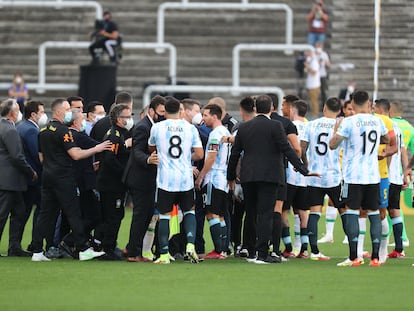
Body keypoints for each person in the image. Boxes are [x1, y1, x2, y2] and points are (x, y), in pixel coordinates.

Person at [227, 95, 314, 264]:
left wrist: (230, 177)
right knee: (266, 213)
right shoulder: (276, 125)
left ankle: (250, 250)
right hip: (270, 175)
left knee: (251, 212)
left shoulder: (244, 127)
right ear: (271, 108)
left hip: (248, 175)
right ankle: (262, 253)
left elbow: (235, 153)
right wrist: (303, 169)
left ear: (254, 109)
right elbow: (287, 149)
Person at [31, 98, 111, 262]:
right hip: (63, 178)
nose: (71, 112)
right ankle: (83, 248)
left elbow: (41, 157)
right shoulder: (64, 132)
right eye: (68, 109)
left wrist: (52, 165)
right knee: (73, 212)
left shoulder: (43, 130)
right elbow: (76, 154)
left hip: (48, 176)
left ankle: (37, 250)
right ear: (59, 111)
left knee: (45, 214)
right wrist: (96, 148)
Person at [329, 90, 389, 267]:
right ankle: (376, 257)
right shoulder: (377, 120)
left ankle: (354, 257)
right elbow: (386, 138)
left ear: (352, 104)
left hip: (353, 176)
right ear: (369, 103)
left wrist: (336, 130)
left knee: (352, 212)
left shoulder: (348, 122)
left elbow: (333, 145)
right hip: (372, 176)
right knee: (374, 213)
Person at [148, 97, 204, 264]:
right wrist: (187, 158)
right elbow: (200, 154)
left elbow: (151, 147)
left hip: (166, 178)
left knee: (164, 216)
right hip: (185, 177)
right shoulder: (190, 128)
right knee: (189, 212)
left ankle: (164, 254)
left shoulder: (157, 128)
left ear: (164, 111)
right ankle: (190, 247)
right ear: (180, 111)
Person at [123, 95, 166, 262]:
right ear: (151, 111)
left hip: (146, 178)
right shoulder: (143, 127)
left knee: (146, 214)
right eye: (161, 111)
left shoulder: (154, 125)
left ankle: (133, 248)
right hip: (139, 178)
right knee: (141, 215)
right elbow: (137, 151)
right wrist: (148, 159)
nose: (163, 114)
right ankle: (133, 252)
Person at [301, 97, 343, 261]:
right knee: (344, 211)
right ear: (339, 111)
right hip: (333, 176)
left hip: (314, 176)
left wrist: (306, 167)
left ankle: (315, 252)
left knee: (315, 212)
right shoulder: (340, 125)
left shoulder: (311, 124)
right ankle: (355, 251)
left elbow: (302, 148)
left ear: (324, 107)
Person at [0, 99, 37, 257]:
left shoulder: (4, 127)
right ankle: (13, 246)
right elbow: (17, 156)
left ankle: (14, 246)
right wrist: (31, 171)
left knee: (19, 211)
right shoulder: (10, 130)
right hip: (10, 181)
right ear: (13, 113)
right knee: (4, 214)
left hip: (9, 181)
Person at [96, 104, 133, 260]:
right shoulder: (114, 135)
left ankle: (109, 245)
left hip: (114, 184)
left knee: (116, 214)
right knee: (113, 215)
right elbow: (111, 160)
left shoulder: (119, 134)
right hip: (111, 184)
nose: (130, 119)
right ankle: (107, 247)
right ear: (119, 119)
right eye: (127, 116)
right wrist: (125, 174)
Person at [195, 104, 231, 259]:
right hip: (223, 179)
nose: (203, 118)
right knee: (221, 215)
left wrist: (201, 176)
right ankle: (222, 250)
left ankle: (218, 251)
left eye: (206, 115)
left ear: (215, 116)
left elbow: (211, 157)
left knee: (211, 214)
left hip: (214, 178)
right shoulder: (226, 132)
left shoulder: (216, 134)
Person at [16, 101, 48, 255]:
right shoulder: (30, 130)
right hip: (34, 179)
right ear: (33, 114)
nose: (43, 115)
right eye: (41, 112)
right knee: (37, 211)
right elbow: (38, 155)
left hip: (26, 178)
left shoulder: (21, 126)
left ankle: (17, 245)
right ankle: (34, 244)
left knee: (23, 213)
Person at [282, 100, 310, 259]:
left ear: (293, 110)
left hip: (290, 174)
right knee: (302, 212)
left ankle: (288, 247)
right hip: (305, 177)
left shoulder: (289, 127)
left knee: (283, 211)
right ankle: (303, 248)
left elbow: (295, 149)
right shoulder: (310, 126)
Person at [372, 98, 398, 264]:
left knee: (382, 212)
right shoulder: (360, 122)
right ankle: (357, 253)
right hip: (362, 176)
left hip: (381, 174)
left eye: (374, 107)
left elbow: (394, 146)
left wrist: (384, 154)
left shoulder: (386, 122)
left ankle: (382, 249)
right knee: (360, 211)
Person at [304, 49, 321, 118]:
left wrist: (307, 66)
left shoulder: (314, 62)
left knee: (314, 101)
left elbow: (314, 72)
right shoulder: (310, 61)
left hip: (314, 85)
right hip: (310, 84)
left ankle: (315, 114)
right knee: (311, 100)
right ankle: (313, 113)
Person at [315, 42, 330, 107]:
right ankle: (316, 107)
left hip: (322, 75)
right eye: (317, 46)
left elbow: (328, 65)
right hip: (315, 76)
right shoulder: (313, 54)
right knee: (316, 92)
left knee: (323, 91)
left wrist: (327, 64)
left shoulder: (324, 54)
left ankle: (324, 105)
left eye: (320, 46)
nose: (318, 47)